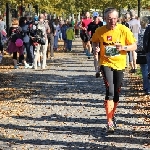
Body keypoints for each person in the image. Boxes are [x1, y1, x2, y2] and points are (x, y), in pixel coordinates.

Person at [92, 7, 137, 133]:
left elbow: (134, 45)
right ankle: (109, 122)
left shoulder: (124, 29)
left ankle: (112, 115)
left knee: (116, 94)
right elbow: (95, 42)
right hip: (105, 63)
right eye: (109, 19)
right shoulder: (100, 30)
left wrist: (123, 47)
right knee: (110, 91)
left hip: (120, 64)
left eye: (114, 19)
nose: (112, 21)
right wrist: (96, 49)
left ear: (118, 18)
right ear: (105, 19)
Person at [87, 11, 103, 78]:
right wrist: (89, 37)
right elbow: (87, 31)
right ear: (93, 18)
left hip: (101, 41)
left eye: (97, 17)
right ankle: (97, 71)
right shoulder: (91, 24)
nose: (96, 19)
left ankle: (99, 69)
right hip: (94, 41)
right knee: (95, 54)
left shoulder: (101, 24)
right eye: (95, 17)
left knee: (100, 56)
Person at [137, 16, 150, 95]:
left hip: (144, 52)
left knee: (145, 70)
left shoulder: (141, 31)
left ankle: (146, 87)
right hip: (147, 51)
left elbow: (142, 43)